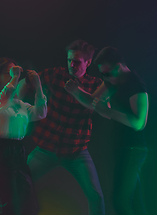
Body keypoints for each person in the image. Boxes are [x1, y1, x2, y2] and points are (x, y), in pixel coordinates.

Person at [17, 40, 105, 215]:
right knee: (19, 184)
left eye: (77, 61)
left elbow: (100, 107)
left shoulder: (96, 84)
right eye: (69, 60)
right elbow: (26, 82)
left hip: (76, 151)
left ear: (88, 62)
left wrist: (77, 92)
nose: (72, 65)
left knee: (96, 196)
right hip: (46, 149)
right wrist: (17, 107)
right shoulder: (56, 75)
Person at [65, 46, 149, 215]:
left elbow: (139, 122)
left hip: (134, 149)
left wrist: (108, 111)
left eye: (108, 73)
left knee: (121, 201)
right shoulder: (113, 81)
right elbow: (94, 102)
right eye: (102, 74)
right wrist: (76, 92)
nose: (106, 78)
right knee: (133, 201)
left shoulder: (135, 85)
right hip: (122, 147)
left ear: (119, 67)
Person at [0, 57, 47, 215]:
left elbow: (40, 113)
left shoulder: (19, 104)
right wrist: (15, 77)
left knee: (29, 202)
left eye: (15, 71)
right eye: (9, 72)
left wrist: (38, 86)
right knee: (6, 203)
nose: (14, 74)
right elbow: (3, 98)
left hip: (17, 152)